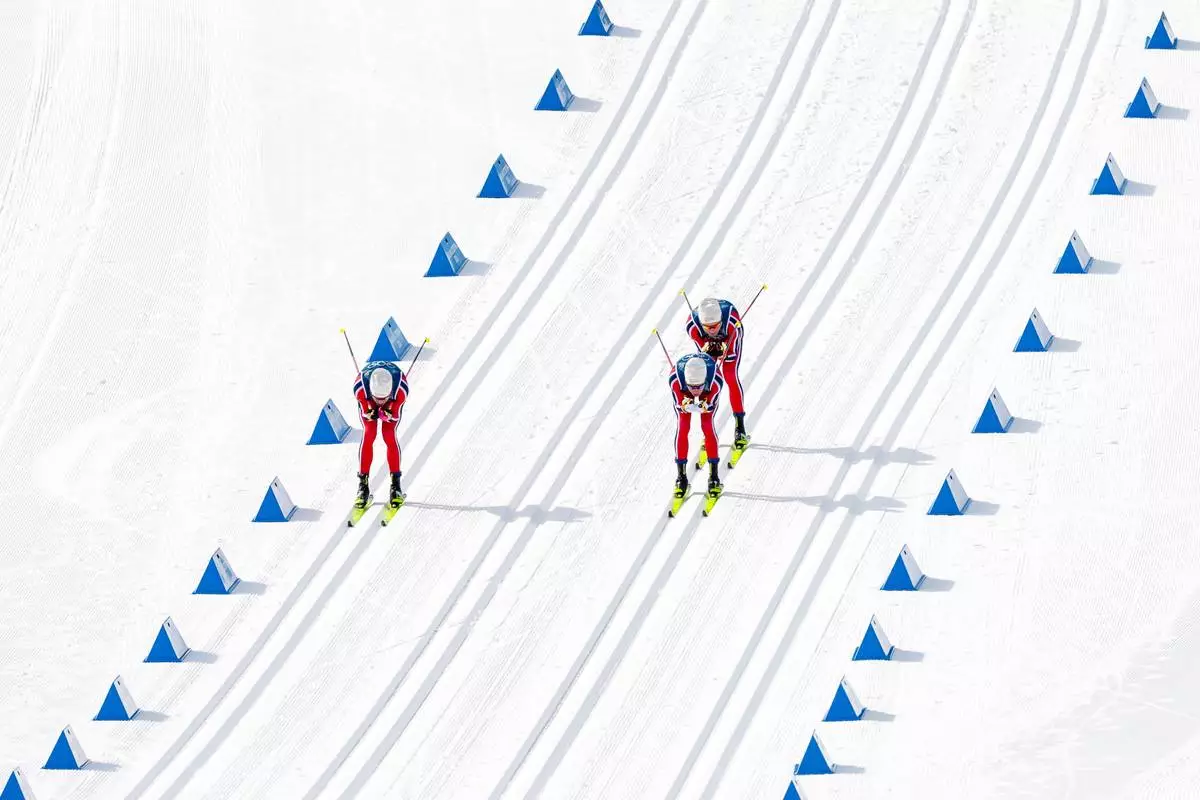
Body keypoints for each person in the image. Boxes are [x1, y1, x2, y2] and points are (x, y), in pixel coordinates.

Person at [686, 297, 749, 448]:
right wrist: (707, 349)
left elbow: (732, 352)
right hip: (709, 344)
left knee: (730, 376)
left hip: (729, 340)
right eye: (708, 327)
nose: (713, 330)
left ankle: (740, 427)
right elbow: (703, 352)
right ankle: (707, 432)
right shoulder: (692, 327)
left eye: (715, 325)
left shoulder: (733, 323)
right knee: (707, 382)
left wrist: (724, 351)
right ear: (701, 324)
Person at [354, 360, 408, 508]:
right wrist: (370, 411)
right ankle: (362, 485)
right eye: (377, 398)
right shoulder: (360, 388)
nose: (380, 402)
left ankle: (395, 486)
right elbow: (366, 411)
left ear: (389, 393)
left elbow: (395, 415)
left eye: (383, 398)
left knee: (388, 434)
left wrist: (389, 413)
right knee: (369, 433)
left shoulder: (401, 390)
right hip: (368, 398)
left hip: (392, 400)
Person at [669, 352, 724, 498]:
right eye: (691, 386)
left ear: (704, 380)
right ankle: (681, 477)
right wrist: (685, 404)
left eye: (698, 386)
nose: (695, 391)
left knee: (707, 425)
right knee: (683, 426)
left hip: (708, 391)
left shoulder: (716, 380)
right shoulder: (675, 380)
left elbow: (711, 403)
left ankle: (714, 477)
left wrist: (706, 404)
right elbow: (678, 403)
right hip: (683, 392)